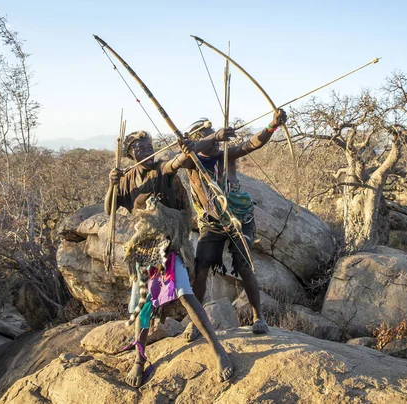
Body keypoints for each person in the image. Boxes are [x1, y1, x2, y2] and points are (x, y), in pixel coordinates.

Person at [105, 130, 235, 386]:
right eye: (140, 148)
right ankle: (139, 361)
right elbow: (109, 208)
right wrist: (112, 184)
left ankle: (218, 350)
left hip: (170, 243)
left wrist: (201, 143)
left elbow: (178, 162)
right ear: (131, 154)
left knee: (185, 294)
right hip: (144, 248)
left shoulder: (161, 169)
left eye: (149, 145)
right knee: (144, 304)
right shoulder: (127, 179)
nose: (147, 150)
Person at [181, 109, 288, 341]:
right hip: (212, 223)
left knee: (244, 264)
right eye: (208, 135)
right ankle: (196, 322)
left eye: (213, 133)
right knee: (200, 269)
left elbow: (251, 145)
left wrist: (272, 126)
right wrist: (212, 137)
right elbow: (189, 151)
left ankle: (258, 317)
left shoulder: (226, 156)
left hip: (239, 219)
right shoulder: (192, 163)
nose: (215, 139)